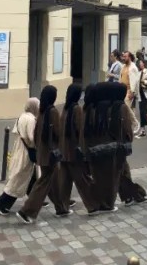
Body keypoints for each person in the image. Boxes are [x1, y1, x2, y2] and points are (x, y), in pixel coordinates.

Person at [17, 86, 71, 223]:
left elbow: (36, 134)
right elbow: (58, 133)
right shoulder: (52, 111)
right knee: (43, 182)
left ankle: (61, 208)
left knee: (52, 180)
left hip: (42, 153)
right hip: (50, 154)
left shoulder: (41, 112)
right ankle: (27, 211)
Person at [81, 83, 124, 214]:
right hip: (108, 147)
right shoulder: (111, 107)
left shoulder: (89, 108)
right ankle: (108, 204)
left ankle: (97, 202)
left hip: (92, 148)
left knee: (97, 176)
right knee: (110, 177)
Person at [0, 97, 39, 215]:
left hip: (19, 149)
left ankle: (36, 198)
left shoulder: (22, 116)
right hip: (26, 152)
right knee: (19, 179)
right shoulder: (32, 119)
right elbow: (32, 138)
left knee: (28, 177)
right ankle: (1, 203)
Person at [56, 84, 97, 214]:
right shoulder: (77, 109)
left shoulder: (65, 108)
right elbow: (81, 131)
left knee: (65, 181)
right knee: (83, 180)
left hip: (63, 151)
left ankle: (62, 207)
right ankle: (93, 205)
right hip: (74, 152)